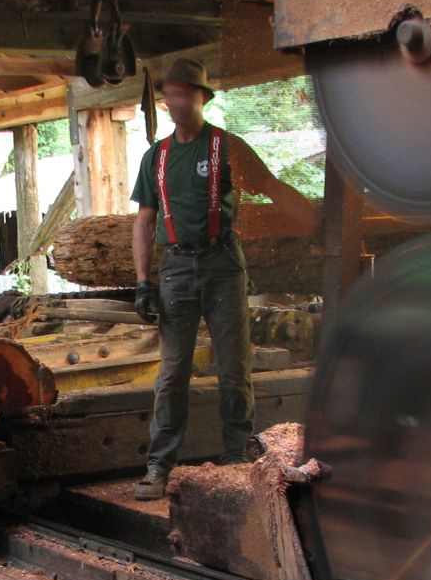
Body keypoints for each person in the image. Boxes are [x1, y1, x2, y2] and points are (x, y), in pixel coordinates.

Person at [130, 58, 314, 501]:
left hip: (223, 265)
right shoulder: (157, 156)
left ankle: (237, 458)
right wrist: (142, 280)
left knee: (234, 368)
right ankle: (158, 467)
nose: (175, 101)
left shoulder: (225, 147)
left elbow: (270, 187)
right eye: (170, 93)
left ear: (202, 98)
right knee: (172, 373)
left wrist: (314, 221)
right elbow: (143, 220)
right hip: (175, 268)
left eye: (184, 93)